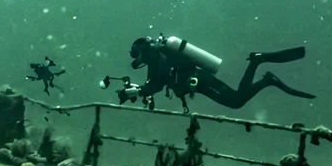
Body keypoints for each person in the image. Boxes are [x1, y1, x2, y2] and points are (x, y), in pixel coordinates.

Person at [128, 35, 315, 112]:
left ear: (143, 50)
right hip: (199, 80)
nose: (138, 61)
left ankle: (258, 64)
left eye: (137, 56)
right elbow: (154, 84)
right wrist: (139, 91)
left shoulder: (156, 57)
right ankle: (266, 79)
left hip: (200, 80)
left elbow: (155, 84)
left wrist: (135, 92)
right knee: (236, 101)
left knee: (236, 101)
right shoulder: (158, 56)